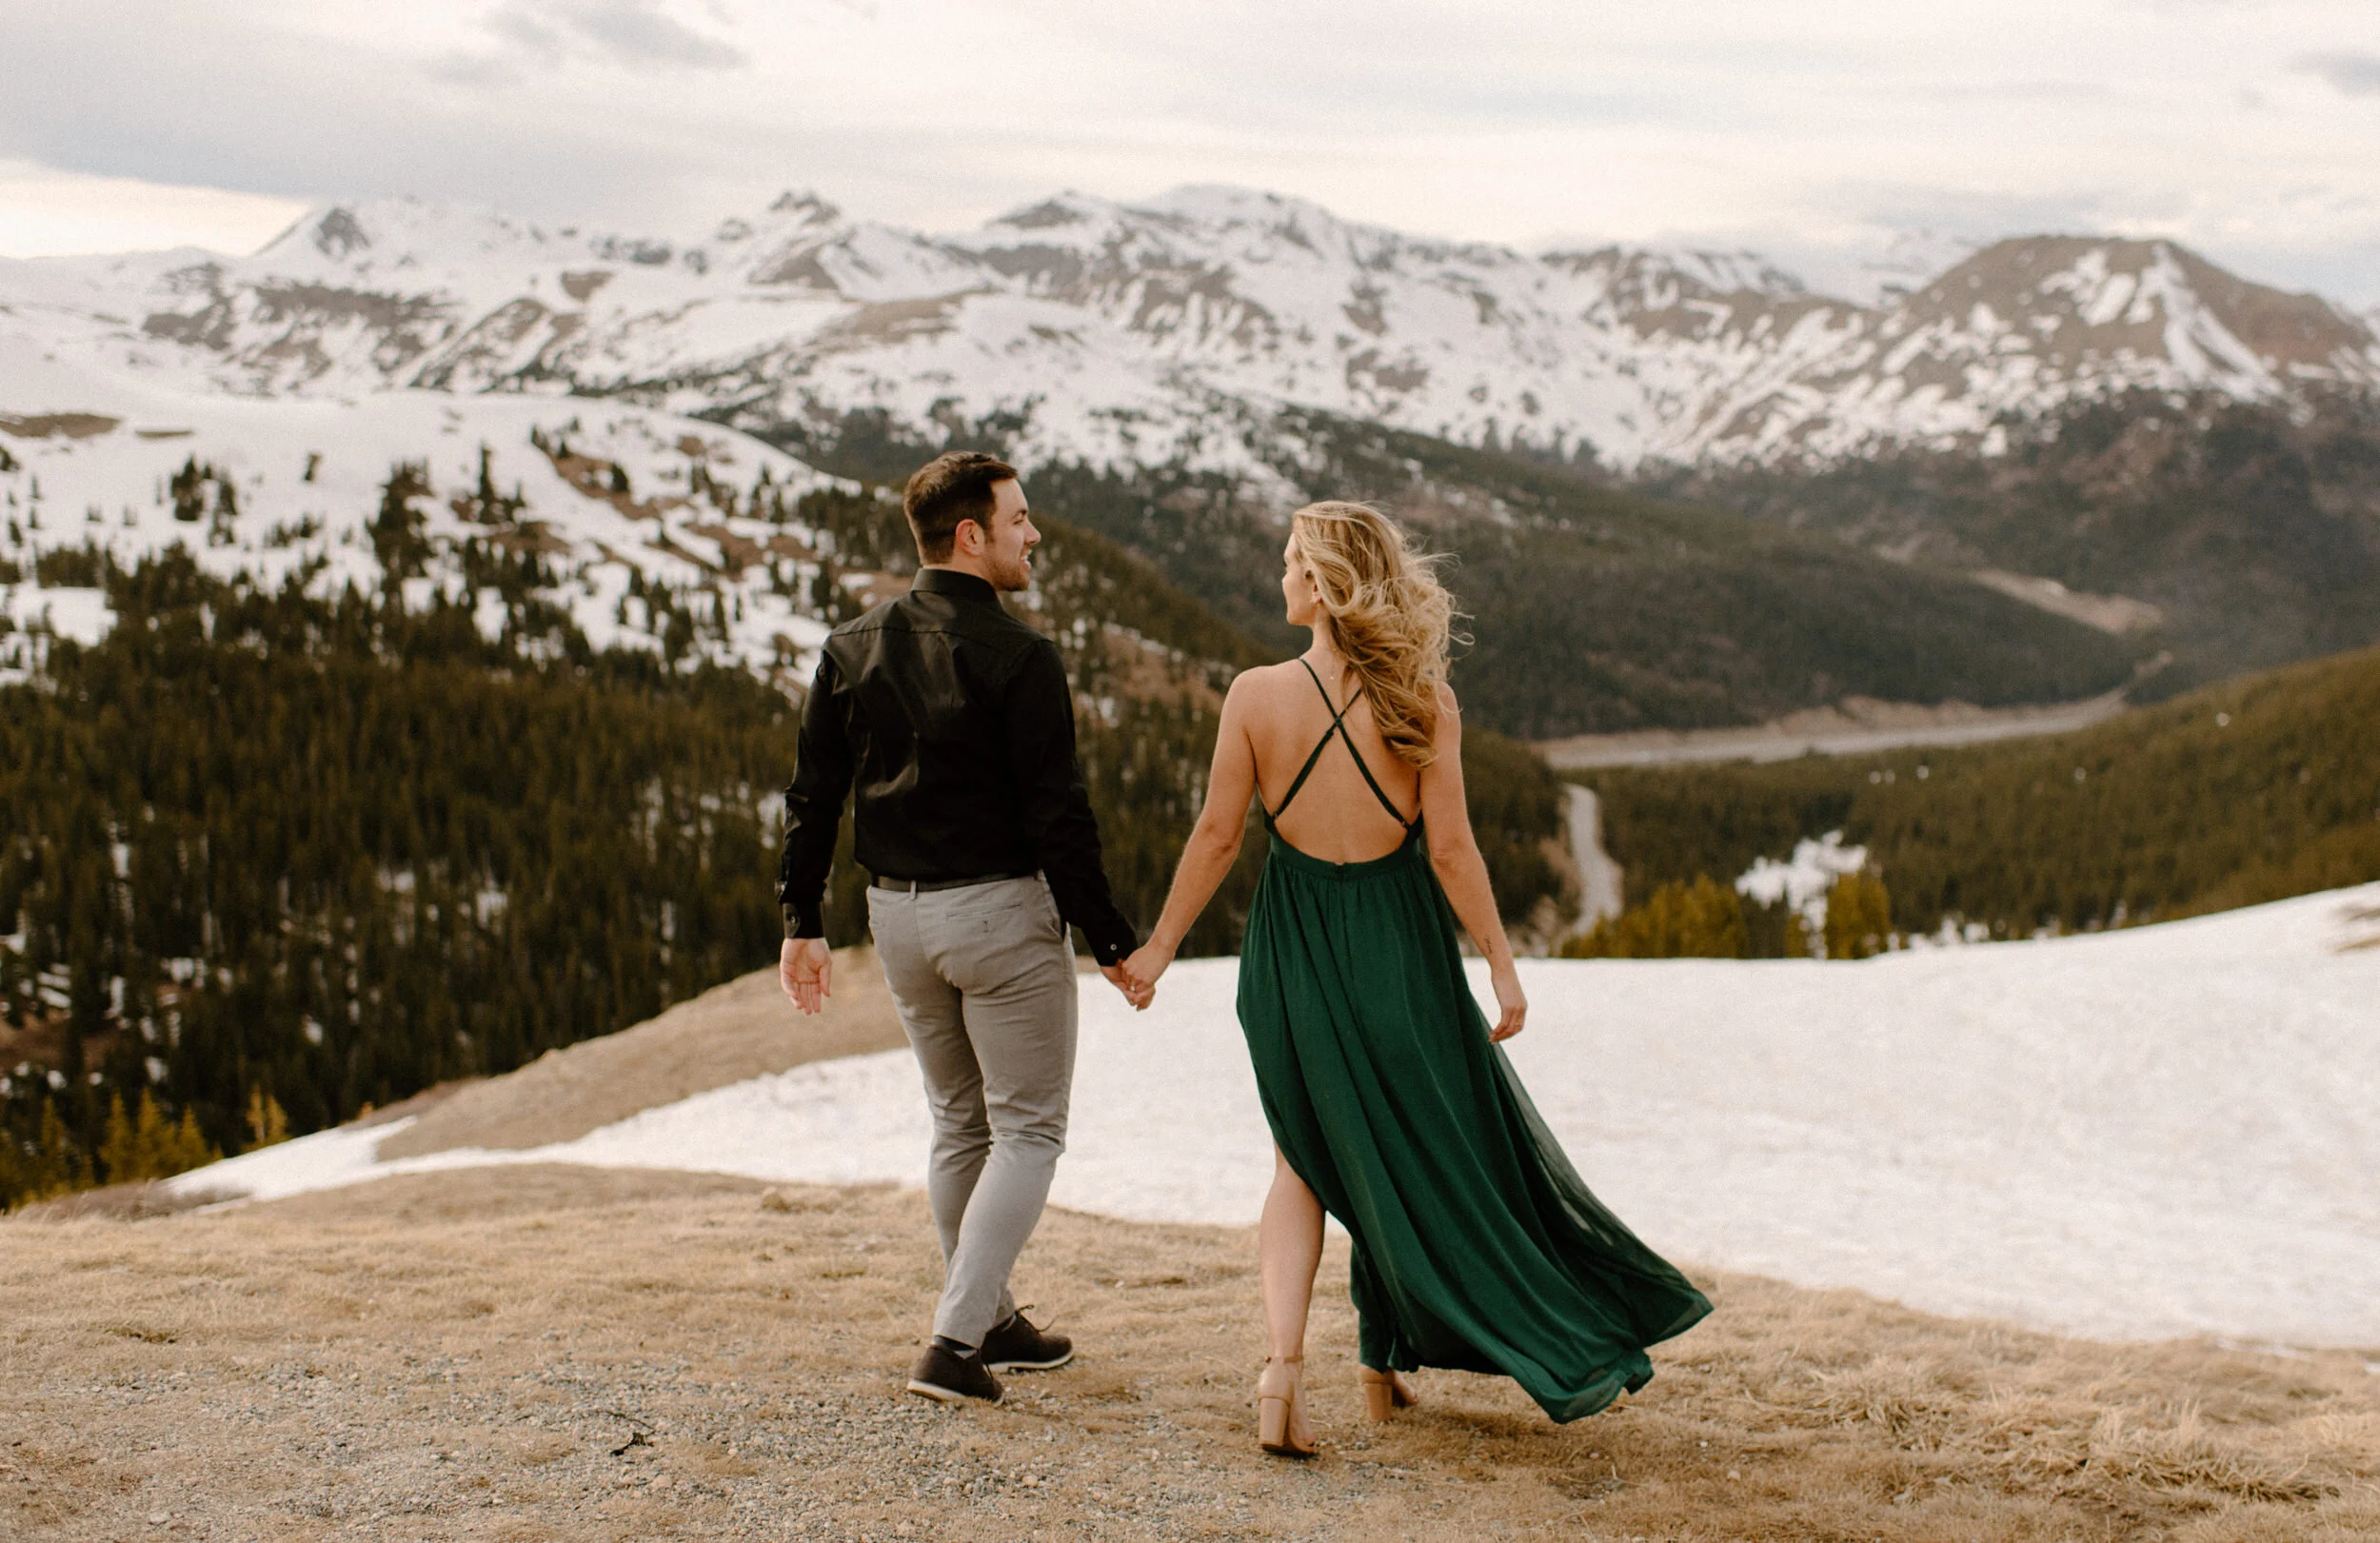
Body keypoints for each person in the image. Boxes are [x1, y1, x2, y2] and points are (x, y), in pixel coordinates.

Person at [1118, 502, 1711, 1455]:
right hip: (1400, 955)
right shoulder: (1422, 702)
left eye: (1286, 563)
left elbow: (1219, 837)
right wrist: (1503, 967)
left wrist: (1155, 951)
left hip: (1295, 952)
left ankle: (1286, 1372)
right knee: (1406, 1146)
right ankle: (1385, 1366)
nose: (1278, 579)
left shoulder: (1254, 696)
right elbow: (1451, 849)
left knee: (1306, 1156)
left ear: (1316, 581)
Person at [778, 450, 1148, 1407]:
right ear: (969, 535)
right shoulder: (1020, 656)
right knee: (1027, 1129)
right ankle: (952, 1340)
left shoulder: (850, 644)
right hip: (997, 916)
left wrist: (799, 919)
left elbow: (812, 795)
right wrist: (1111, 939)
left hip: (895, 916)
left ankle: (990, 1320)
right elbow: (1058, 813)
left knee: (958, 1122)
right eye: (1020, 518)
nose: (1034, 535)